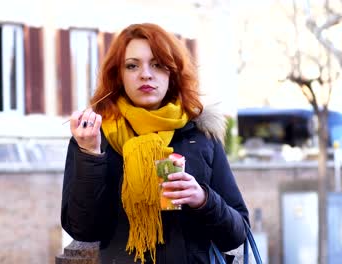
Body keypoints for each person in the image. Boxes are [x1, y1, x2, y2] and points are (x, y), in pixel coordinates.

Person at [60, 23, 249, 264]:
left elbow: (237, 233)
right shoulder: (96, 136)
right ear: (118, 75)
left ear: (173, 73)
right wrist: (90, 154)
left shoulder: (201, 134)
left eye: (157, 64)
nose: (146, 74)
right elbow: (83, 229)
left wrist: (203, 199)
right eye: (132, 65)